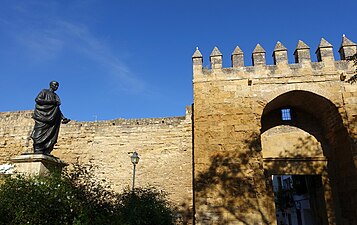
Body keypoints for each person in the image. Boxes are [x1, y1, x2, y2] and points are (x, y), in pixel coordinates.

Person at [31, 81, 70, 155]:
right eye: (55, 85)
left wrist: (63, 117)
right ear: (51, 85)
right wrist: (51, 101)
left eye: (57, 86)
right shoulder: (44, 91)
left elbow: (56, 109)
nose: (56, 87)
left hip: (52, 118)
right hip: (42, 116)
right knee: (39, 133)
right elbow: (38, 100)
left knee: (51, 135)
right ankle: (38, 148)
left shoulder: (56, 96)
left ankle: (46, 149)